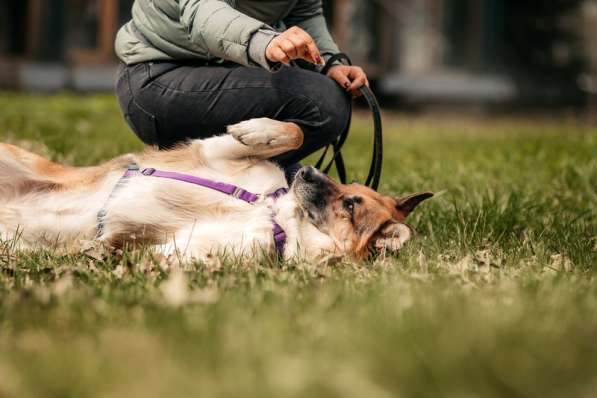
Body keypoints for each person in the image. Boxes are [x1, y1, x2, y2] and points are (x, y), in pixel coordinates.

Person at [114, 0, 368, 168]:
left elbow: (303, 12)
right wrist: (264, 41)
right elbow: (203, 14)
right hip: (158, 78)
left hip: (227, 70)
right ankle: (207, 175)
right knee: (321, 102)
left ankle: (220, 176)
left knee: (330, 97)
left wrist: (329, 63)